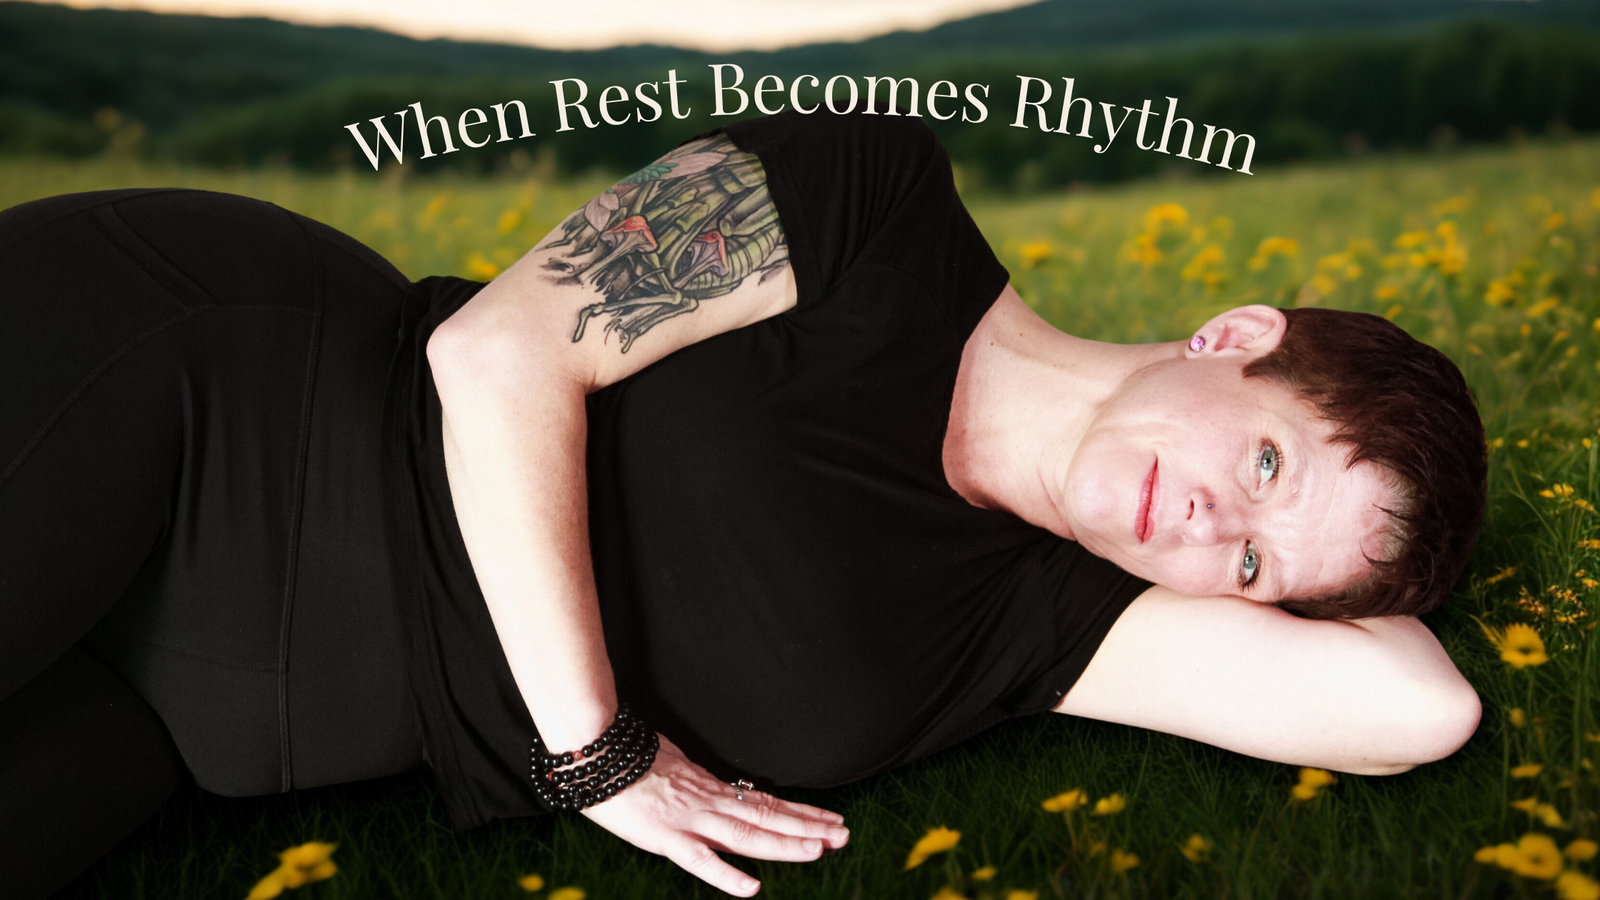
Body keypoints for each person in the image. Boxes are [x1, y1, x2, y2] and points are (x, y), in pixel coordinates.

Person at [0, 107, 1486, 899]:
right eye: (1271, 464)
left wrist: (1328, 554)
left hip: (201, 733)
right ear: (1234, 337)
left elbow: (1423, 712)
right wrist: (598, 755)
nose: (1207, 523)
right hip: (205, 399)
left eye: (1249, 564)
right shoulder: (872, 198)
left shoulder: (1045, 633)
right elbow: (501, 349)